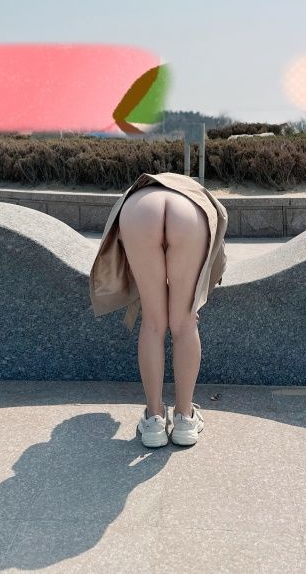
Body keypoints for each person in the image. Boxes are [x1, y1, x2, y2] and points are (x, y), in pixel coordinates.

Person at [89, 171, 228, 448]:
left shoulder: (141, 191)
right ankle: (185, 418)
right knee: (185, 323)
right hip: (190, 210)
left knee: (153, 323)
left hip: (139, 210)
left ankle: (154, 419)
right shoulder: (190, 190)